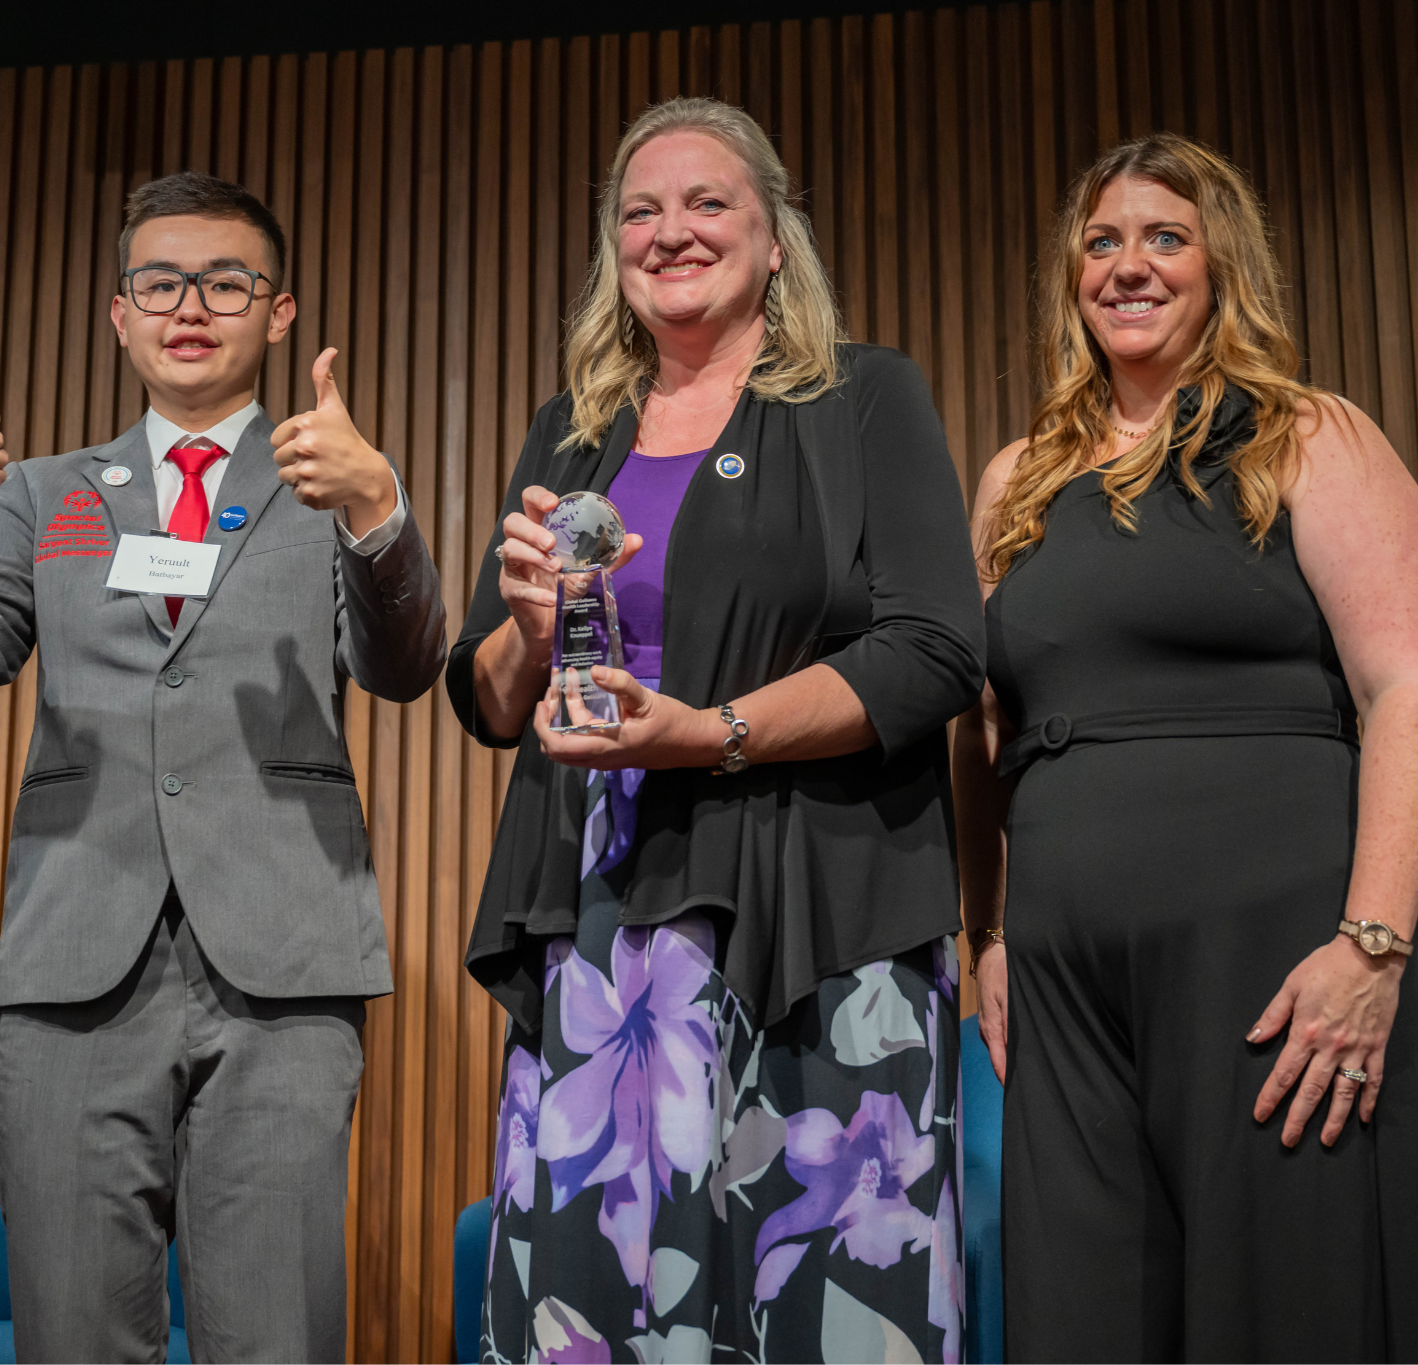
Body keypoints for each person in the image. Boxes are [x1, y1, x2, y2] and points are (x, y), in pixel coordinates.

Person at [449, 96, 985, 1364]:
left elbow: (931, 653)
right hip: (601, 917)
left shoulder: (862, 400)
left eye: (706, 204)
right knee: (600, 1301)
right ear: (610, 251)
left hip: (825, 912)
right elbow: (484, 699)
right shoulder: (569, 432)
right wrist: (528, 629)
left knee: (825, 1300)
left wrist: (708, 732)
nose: (669, 232)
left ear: (772, 237)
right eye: (639, 211)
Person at [0, 171, 445, 1362]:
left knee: (272, 1331)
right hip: (77, 949)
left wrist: (379, 508)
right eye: (160, 282)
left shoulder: (324, 483)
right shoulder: (44, 496)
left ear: (278, 313)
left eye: (226, 281)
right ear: (119, 315)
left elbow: (402, 670)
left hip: (283, 957)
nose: (192, 305)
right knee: (74, 1326)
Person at [955, 132, 1418, 1360]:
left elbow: (1405, 684)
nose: (1127, 265)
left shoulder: (1308, 435)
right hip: (1064, 977)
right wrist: (987, 931)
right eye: (1100, 241)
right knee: (1080, 1316)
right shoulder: (1015, 481)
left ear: (1222, 265)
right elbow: (977, 728)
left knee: (1284, 1307)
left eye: (1164, 236)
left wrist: (1372, 943)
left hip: (1277, 961)